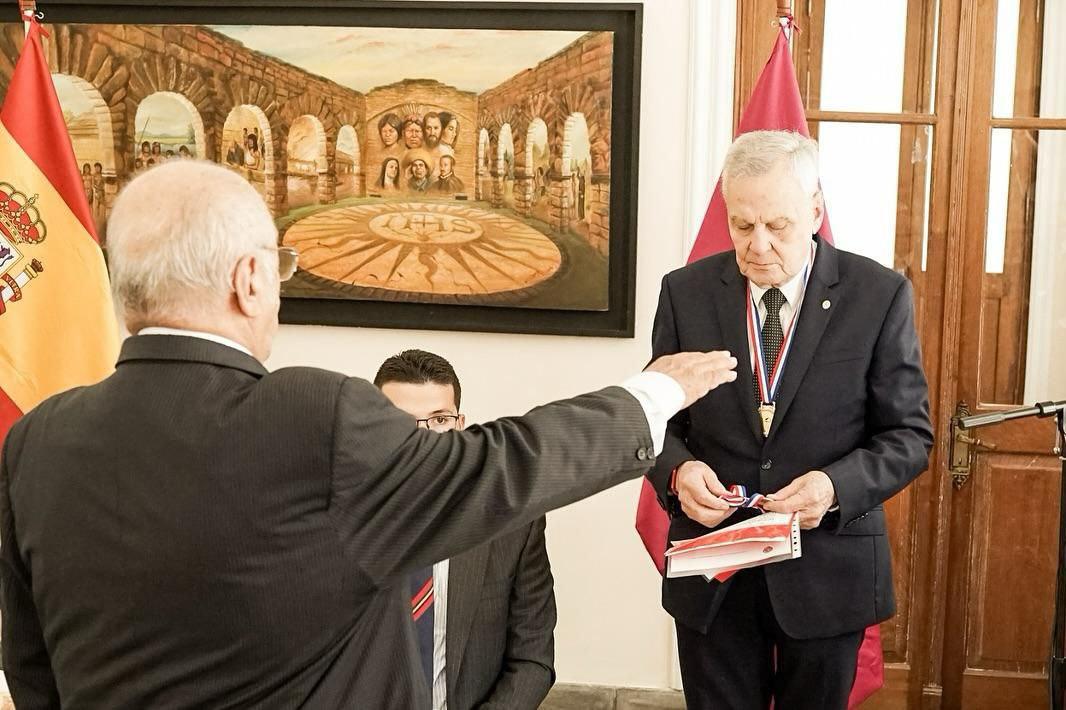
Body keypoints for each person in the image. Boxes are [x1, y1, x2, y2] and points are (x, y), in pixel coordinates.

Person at [0, 160, 737, 709]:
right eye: (279, 270)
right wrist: (657, 392)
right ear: (250, 279)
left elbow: (31, 670)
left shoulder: (35, 442)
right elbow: (501, 463)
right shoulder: (313, 417)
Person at [646, 130, 933, 710]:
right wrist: (678, 473)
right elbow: (655, 420)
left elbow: (909, 435)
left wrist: (834, 486)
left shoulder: (877, 295)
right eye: (742, 225)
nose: (757, 245)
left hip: (827, 568)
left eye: (777, 226)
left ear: (816, 210)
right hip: (715, 569)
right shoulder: (686, 293)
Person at [375, 350, 555, 710]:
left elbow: (532, 661)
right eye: (401, 421)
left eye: (439, 419)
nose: (423, 438)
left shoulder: (512, 522)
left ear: (459, 425)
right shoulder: (326, 518)